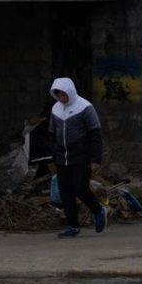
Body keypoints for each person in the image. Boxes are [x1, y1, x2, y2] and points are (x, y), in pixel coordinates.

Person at [48, 76, 106, 237]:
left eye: (64, 95)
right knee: (65, 191)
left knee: (80, 187)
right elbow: (52, 133)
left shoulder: (85, 107)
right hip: (62, 157)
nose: (61, 98)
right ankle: (72, 225)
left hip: (82, 156)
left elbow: (95, 134)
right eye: (58, 95)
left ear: (70, 92)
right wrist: (54, 153)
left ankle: (98, 210)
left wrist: (95, 159)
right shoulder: (56, 109)